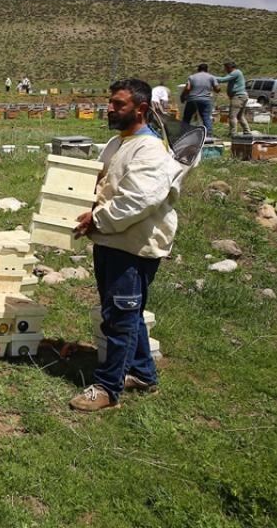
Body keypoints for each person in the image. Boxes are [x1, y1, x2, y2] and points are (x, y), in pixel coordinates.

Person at [70, 78, 178, 412]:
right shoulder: (117, 143)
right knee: (122, 312)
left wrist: (98, 220)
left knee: (120, 317)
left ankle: (107, 388)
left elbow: (139, 200)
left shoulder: (150, 150)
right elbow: (101, 183)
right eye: (111, 102)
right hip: (110, 240)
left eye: (118, 104)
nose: (110, 108)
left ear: (141, 109)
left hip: (133, 246)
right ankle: (143, 374)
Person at [180, 63, 217, 137]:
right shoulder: (211, 77)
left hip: (192, 99)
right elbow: (217, 88)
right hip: (205, 100)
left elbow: (187, 88)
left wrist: (183, 97)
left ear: (198, 69)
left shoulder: (192, 77)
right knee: (206, 117)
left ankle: (183, 134)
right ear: (207, 69)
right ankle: (208, 135)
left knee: (187, 117)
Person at [216, 61, 250, 136]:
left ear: (230, 67)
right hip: (242, 96)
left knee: (232, 116)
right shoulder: (237, 72)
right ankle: (247, 131)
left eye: (226, 68)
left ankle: (233, 133)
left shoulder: (235, 73)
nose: (225, 70)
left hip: (238, 96)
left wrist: (210, 78)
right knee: (240, 116)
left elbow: (223, 79)